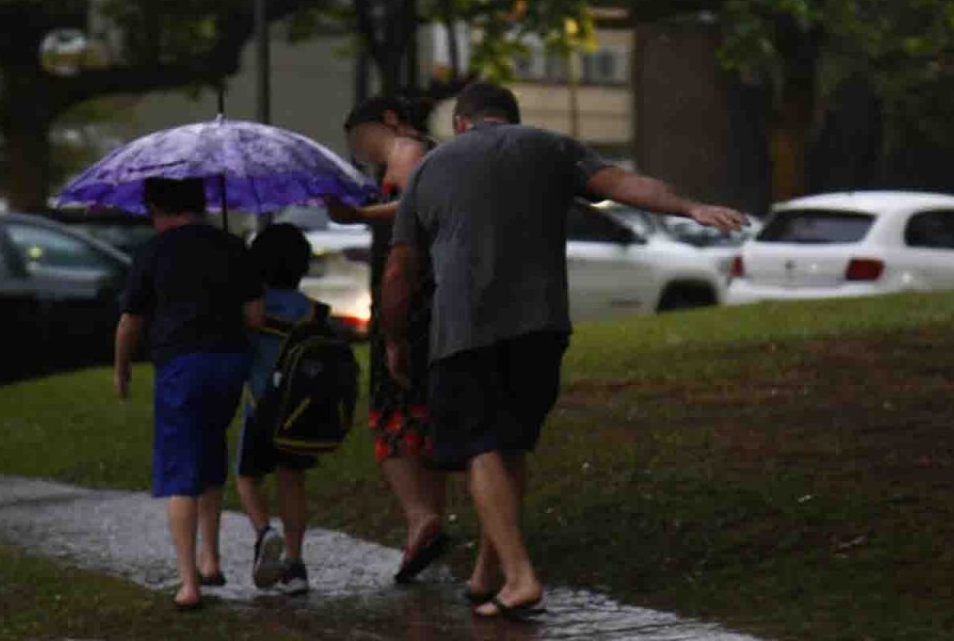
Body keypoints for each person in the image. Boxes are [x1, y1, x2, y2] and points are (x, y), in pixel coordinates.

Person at [383, 83, 748, 620]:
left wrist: (393, 338)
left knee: (481, 448)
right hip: (541, 325)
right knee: (510, 445)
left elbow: (399, 268)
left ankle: (521, 576)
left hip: (465, 329)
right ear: (509, 118)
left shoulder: (432, 168)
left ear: (461, 122)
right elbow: (623, 183)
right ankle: (489, 574)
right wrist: (691, 206)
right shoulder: (549, 146)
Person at [114, 177, 266, 611]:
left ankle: (188, 584)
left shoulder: (154, 251)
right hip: (228, 364)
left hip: (182, 366)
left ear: (158, 209)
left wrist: (122, 370)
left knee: (181, 467)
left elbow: (131, 322)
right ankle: (211, 559)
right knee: (210, 454)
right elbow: (255, 315)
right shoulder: (232, 246)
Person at [325, 95, 451, 583]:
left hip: (409, 298)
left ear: (392, 122)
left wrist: (358, 218)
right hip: (432, 297)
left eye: (364, 138)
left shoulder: (408, 149)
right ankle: (427, 522)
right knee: (422, 414)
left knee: (390, 415)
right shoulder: (432, 153)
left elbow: (412, 212)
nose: (363, 150)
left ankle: (421, 517)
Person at [233, 223, 323, 596]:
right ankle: (296, 564)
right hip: (298, 414)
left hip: (260, 409)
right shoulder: (312, 312)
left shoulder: (253, 309)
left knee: (246, 477)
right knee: (292, 481)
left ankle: (263, 532)